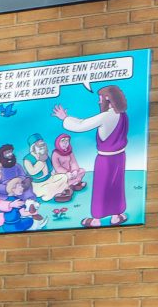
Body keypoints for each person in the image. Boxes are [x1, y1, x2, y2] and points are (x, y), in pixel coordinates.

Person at [53, 83, 132, 225]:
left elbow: (81, 125)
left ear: (107, 99)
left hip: (106, 158)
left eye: (100, 98)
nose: (98, 101)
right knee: (116, 186)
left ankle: (96, 219)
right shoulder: (123, 115)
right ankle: (116, 215)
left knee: (101, 187)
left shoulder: (105, 116)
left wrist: (65, 118)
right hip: (120, 157)